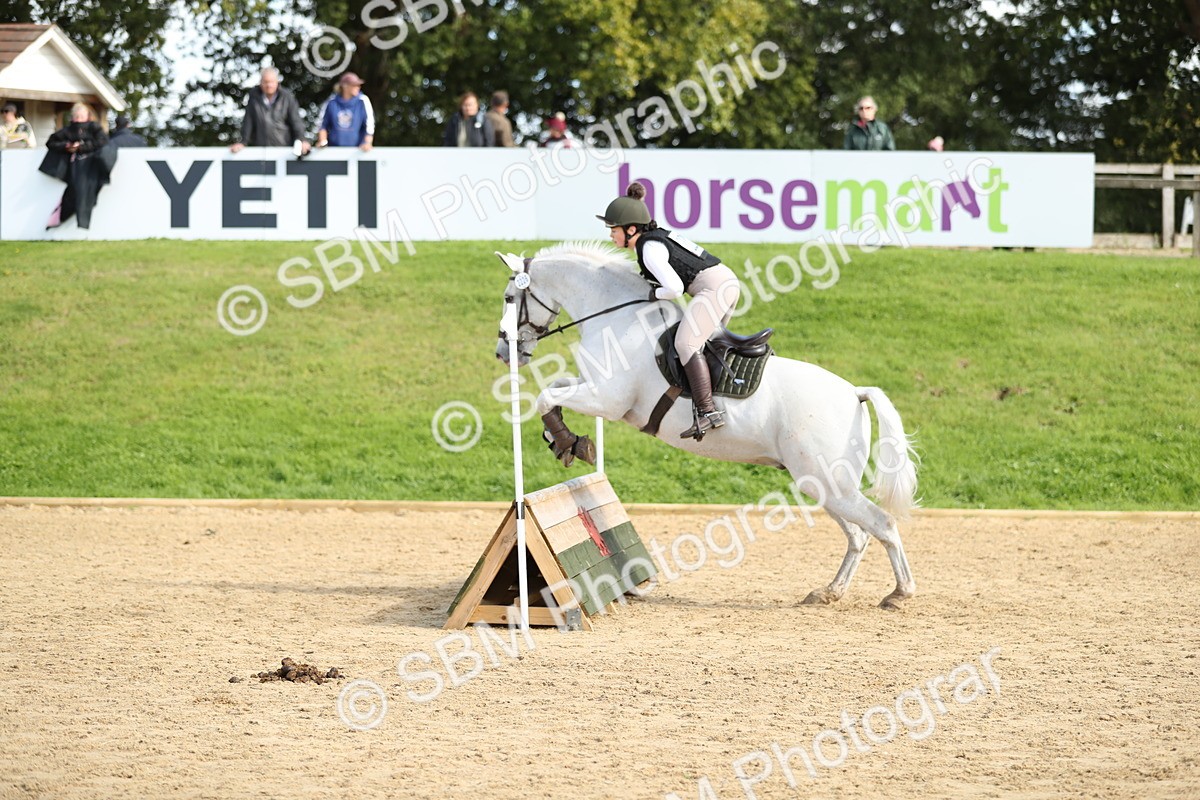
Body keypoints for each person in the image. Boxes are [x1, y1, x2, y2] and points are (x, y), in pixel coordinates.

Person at [596, 182, 741, 440]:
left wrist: (654, 294)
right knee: (702, 344)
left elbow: (673, 288)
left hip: (714, 288)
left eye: (613, 230)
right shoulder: (655, 239)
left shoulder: (648, 248)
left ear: (631, 229)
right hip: (722, 283)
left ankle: (708, 411)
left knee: (686, 345)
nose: (610, 236)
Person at [40, 103, 115, 229]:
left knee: (87, 192)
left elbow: (102, 141)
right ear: (73, 117)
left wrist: (81, 147)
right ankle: (59, 218)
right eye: (77, 116)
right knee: (73, 193)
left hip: (92, 166)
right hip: (75, 168)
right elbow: (51, 142)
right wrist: (67, 146)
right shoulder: (68, 130)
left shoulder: (94, 128)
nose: (79, 118)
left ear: (87, 116)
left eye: (82, 115)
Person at [230, 67, 309, 154]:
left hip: (284, 150)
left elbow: (296, 121)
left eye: (271, 82)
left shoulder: (287, 97)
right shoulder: (254, 98)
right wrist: (243, 142)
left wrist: (302, 139)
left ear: (277, 82)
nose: (269, 85)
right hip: (261, 151)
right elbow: (248, 121)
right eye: (266, 82)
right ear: (261, 83)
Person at [316, 72, 375, 151]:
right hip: (334, 151)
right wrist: (322, 141)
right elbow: (322, 125)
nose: (359, 87)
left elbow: (369, 126)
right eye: (355, 85)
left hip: (357, 152)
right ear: (345, 86)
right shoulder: (331, 102)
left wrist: (367, 143)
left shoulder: (363, 100)